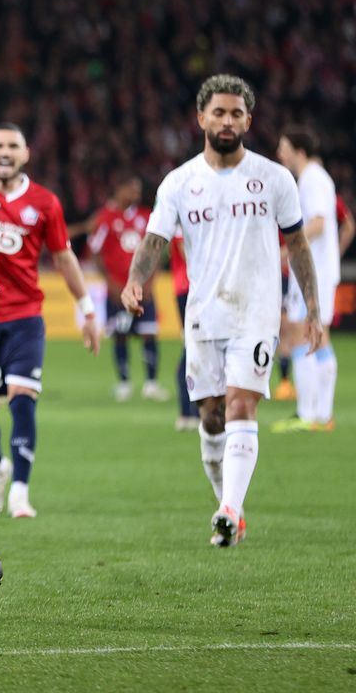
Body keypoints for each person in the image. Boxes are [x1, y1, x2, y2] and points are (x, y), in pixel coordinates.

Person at [122, 74, 322, 549]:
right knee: (211, 415)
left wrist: (312, 308)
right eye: (219, 112)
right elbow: (154, 241)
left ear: (248, 121)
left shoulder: (274, 178)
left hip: (256, 312)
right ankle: (230, 509)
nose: (227, 120)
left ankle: (229, 508)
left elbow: (296, 243)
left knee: (240, 403)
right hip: (204, 314)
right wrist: (135, 279)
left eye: (236, 114)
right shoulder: (179, 183)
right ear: (201, 118)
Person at [0, 123, 100, 519]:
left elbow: (63, 257)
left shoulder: (45, 202)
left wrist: (87, 309)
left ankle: (20, 492)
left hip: (26, 318)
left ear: (26, 153)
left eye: (13, 145)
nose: (5, 152)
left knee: (23, 400)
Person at [271, 127, 340, 432]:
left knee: (305, 334)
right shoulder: (315, 178)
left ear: (299, 151)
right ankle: (319, 414)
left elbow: (319, 223)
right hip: (319, 271)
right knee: (315, 336)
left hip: (314, 273)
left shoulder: (312, 179)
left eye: (284, 147)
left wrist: (287, 251)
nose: (279, 154)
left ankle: (310, 413)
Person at [89, 175, 169, 403]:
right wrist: (110, 283)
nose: (136, 194)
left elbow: (159, 250)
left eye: (138, 190)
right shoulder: (106, 218)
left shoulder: (146, 217)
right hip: (118, 292)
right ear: (119, 189)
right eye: (131, 189)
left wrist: (150, 282)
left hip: (144, 290)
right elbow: (95, 252)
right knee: (120, 336)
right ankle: (124, 383)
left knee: (149, 333)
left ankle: (151, 384)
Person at [168, 231, 200, 431]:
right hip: (191, 288)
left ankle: (189, 412)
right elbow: (187, 252)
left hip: (191, 288)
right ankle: (190, 412)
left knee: (193, 349)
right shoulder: (184, 212)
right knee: (194, 350)